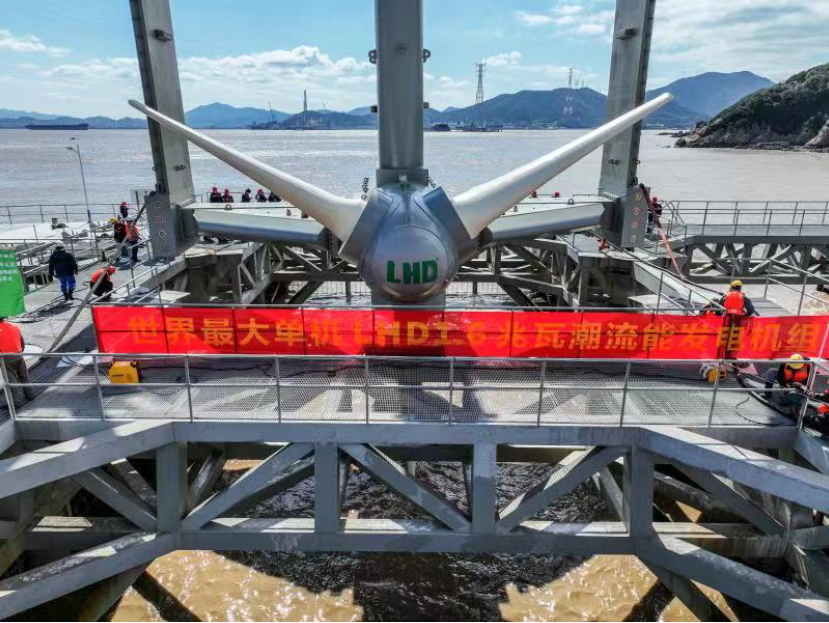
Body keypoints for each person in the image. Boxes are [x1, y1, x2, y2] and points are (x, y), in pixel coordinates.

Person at [0, 317, 34, 409]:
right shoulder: (14, 327)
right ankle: (30, 395)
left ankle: (17, 403)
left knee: (12, 381)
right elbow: (22, 343)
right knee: (24, 376)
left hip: (6, 358)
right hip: (19, 354)